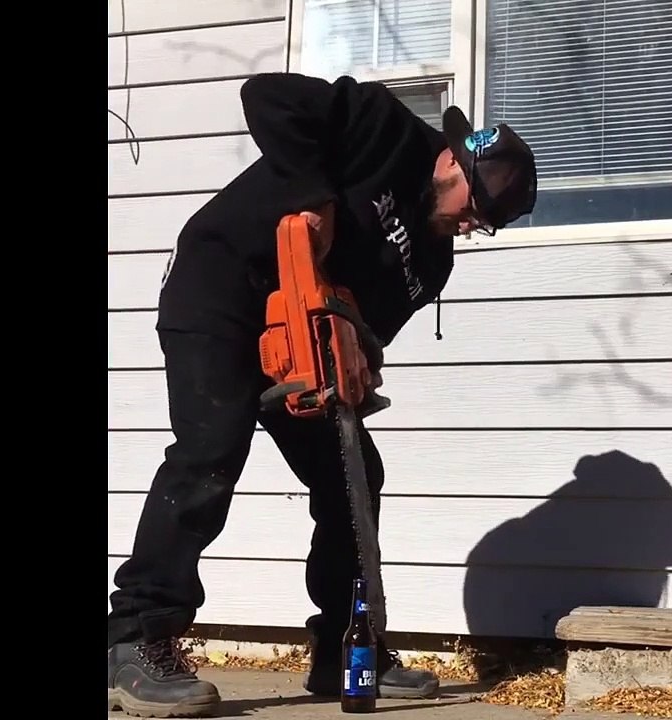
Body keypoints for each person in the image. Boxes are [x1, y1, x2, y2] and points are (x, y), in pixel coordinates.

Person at [106, 71, 538, 718]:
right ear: (451, 158)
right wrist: (318, 198)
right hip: (220, 288)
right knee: (210, 450)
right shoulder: (378, 124)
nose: (469, 224)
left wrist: (357, 361)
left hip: (301, 337)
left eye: (482, 223)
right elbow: (266, 95)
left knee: (354, 469)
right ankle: (138, 637)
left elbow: (368, 328)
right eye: (470, 206)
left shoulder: (434, 260)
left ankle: (346, 649)